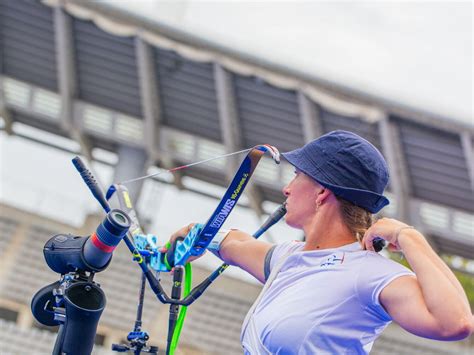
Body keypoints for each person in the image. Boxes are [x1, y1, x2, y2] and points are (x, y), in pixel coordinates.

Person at [164, 130, 473, 354]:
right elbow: (234, 243)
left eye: (297, 175)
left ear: (321, 191)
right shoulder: (287, 258)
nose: (286, 188)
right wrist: (195, 232)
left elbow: (455, 323)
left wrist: (409, 237)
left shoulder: (369, 272)